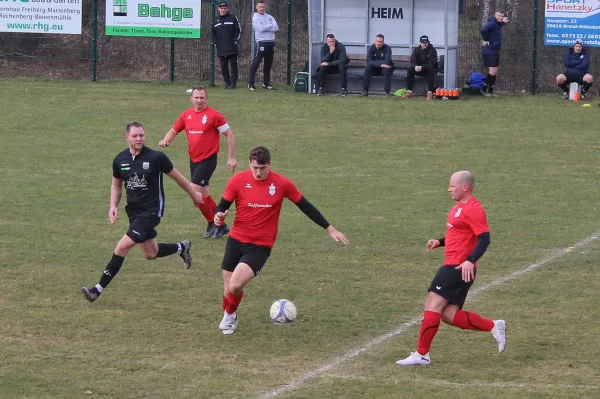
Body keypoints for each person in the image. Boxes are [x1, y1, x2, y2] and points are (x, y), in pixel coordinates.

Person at [212, 146, 350, 335]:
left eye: (262, 168)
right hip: (235, 241)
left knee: (235, 285)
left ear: (269, 165)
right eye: (254, 168)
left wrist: (329, 228)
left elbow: (305, 206)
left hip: (260, 246)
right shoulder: (238, 180)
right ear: (249, 165)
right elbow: (222, 205)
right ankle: (232, 315)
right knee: (228, 289)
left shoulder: (281, 184)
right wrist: (218, 216)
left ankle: (228, 315)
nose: (258, 173)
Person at [80, 122, 204, 303]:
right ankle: (181, 247)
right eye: (135, 136)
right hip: (134, 213)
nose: (139, 139)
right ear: (127, 137)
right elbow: (116, 185)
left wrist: (194, 195)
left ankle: (96, 290)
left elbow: (178, 178)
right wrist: (113, 206)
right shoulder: (120, 160)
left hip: (151, 212)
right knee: (150, 253)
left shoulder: (156, 158)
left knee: (121, 247)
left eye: (142, 135)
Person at [396, 171, 506, 366]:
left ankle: (422, 354)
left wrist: (470, 260)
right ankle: (493, 326)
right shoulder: (458, 208)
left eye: (452, 186)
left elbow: (484, 238)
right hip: (455, 264)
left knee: (433, 304)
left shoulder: (474, 209)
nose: (449, 189)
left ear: (465, 187)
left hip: (457, 267)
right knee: (448, 315)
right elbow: (459, 235)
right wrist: (439, 242)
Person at [159, 87, 237, 239]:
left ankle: (215, 223)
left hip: (208, 159)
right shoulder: (186, 115)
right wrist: (166, 140)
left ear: (206, 99)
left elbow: (229, 134)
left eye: (202, 98)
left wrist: (231, 157)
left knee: (193, 191)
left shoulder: (214, 116)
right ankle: (217, 224)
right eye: (196, 98)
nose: (199, 100)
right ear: (191, 99)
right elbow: (174, 130)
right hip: (193, 159)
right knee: (203, 194)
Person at [248, 1, 278, 91]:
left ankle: (266, 84)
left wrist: (266, 26)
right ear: (257, 7)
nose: (261, 8)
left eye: (263, 7)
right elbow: (260, 29)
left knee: (268, 64)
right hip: (261, 42)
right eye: (260, 7)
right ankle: (251, 84)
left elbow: (276, 27)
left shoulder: (269, 17)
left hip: (271, 42)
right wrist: (269, 26)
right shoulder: (255, 17)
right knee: (256, 63)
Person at [212, 2, 242, 89]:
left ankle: (233, 83)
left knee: (233, 66)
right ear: (218, 9)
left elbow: (238, 31)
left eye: (225, 8)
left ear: (227, 9)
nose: (223, 9)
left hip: (232, 47)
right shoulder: (215, 20)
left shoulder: (233, 18)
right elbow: (213, 33)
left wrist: (234, 41)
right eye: (221, 8)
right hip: (221, 48)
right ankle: (227, 82)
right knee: (223, 66)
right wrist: (216, 43)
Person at [480, 9, 509, 97]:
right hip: (489, 50)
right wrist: (485, 40)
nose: (501, 17)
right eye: (499, 15)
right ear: (495, 16)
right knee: (492, 70)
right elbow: (483, 30)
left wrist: (502, 23)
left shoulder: (496, 24)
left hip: (495, 50)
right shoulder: (492, 23)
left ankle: (491, 90)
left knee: (494, 71)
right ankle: (484, 89)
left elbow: (497, 27)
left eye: (502, 16)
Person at [402, 35, 438, 100]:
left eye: (426, 43)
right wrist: (415, 66)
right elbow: (412, 61)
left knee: (431, 70)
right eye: (423, 43)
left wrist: (422, 67)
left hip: (428, 70)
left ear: (428, 42)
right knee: (410, 69)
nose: (424, 44)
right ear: (420, 42)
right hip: (418, 70)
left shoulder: (432, 50)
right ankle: (409, 91)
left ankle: (430, 92)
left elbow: (432, 63)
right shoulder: (416, 50)